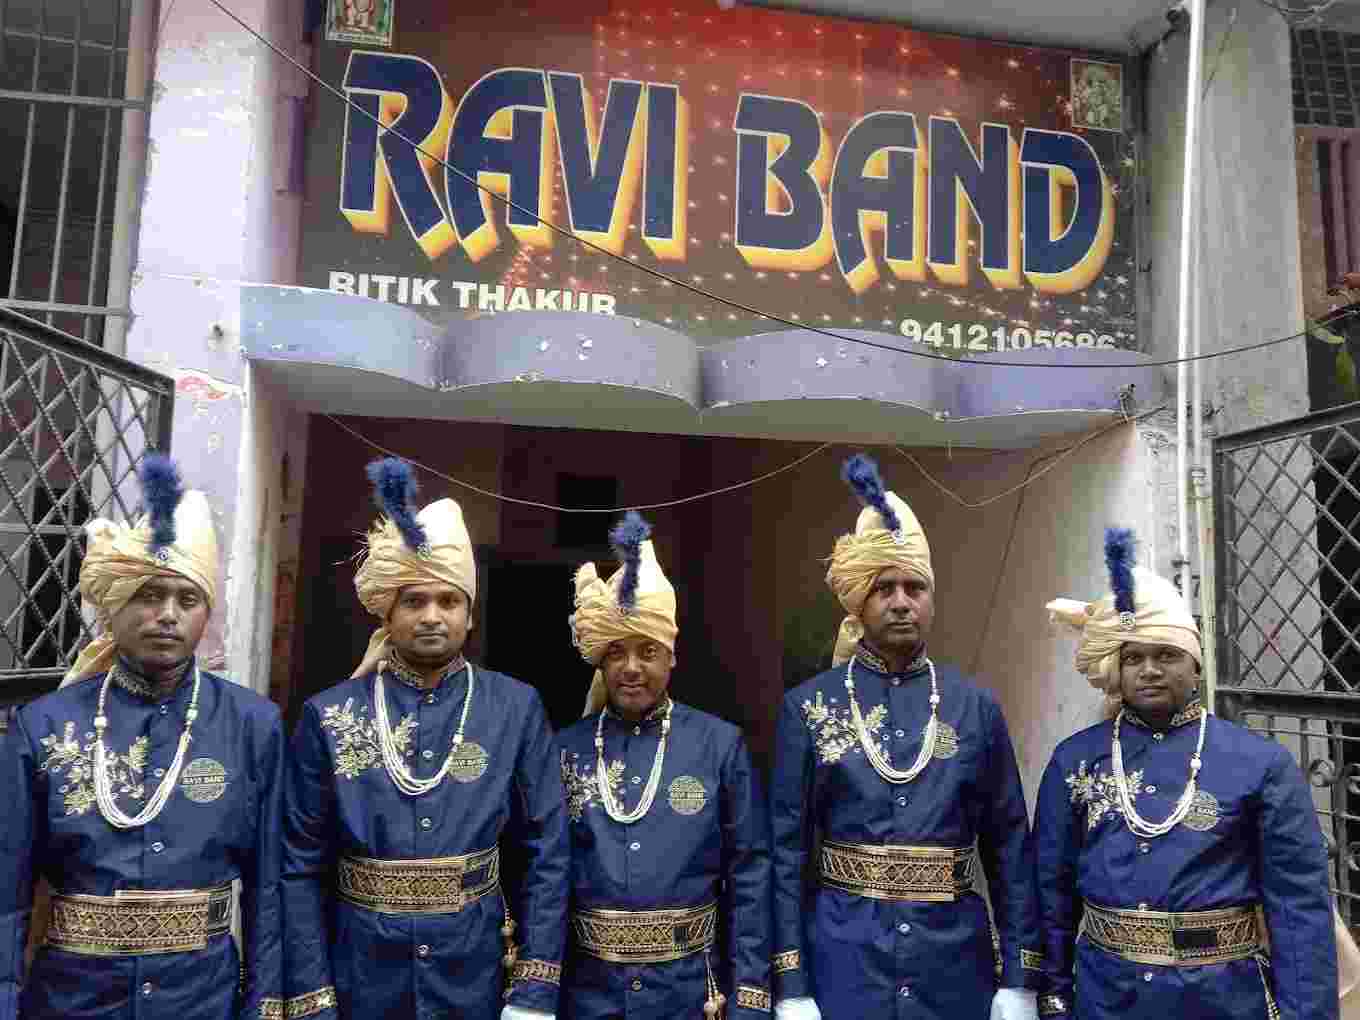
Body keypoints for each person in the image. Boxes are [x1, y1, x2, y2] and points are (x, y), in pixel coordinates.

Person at [280, 458, 567, 1019]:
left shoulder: (515, 707)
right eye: (414, 601)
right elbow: (299, 865)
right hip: (360, 980)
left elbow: (546, 852)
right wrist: (312, 999)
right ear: (387, 614)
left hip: (476, 977)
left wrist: (534, 992)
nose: (432, 616)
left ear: (470, 614)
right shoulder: (328, 714)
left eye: (448, 601)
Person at [0, 455, 284, 1019]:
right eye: (149, 595)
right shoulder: (44, 725)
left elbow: (270, 887)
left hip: (202, 1001)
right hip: (72, 1001)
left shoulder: (254, 725)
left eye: (187, 599)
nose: (167, 615)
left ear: (206, 614)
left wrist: (265, 1005)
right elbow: (7, 891)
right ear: (115, 606)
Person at [769, 454, 1040, 1020]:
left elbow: (1010, 847)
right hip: (844, 963)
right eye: (884, 588)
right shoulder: (808, 707)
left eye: (915, 587)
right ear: (858, 602)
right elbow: (785, 853)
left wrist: (1019, 980)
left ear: (932, 599)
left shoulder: (975, 707)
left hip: (954, 967)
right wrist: (792, 986)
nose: (900, 602)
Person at [1036, 528, 1339, 1019]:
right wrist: (1052, 996)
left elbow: (1299, 908)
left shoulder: (1261, 764)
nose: (1149, 670)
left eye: (1167, 655)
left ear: (1195, 665)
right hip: (1106, 999)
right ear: (1116, 669)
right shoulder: (1074, 761)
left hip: (1223, 1000)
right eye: (1133, 657)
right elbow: (1050, 892)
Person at [556, 512, 771, 1018]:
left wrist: (752, 995)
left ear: (672, 656)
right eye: (617, 652)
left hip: (691, 994)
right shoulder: (564, 749)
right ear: (600, 661)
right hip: (588, 996)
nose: (632, 668)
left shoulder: (719, 745)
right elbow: (541, 874)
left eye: (648, 651)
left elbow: (749, 873)